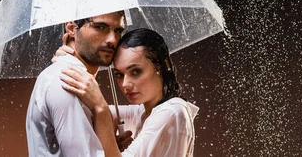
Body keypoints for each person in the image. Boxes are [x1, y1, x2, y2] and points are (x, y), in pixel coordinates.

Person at [58, 28, 199, 156]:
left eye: (136, 71)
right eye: (119, 75)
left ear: (162, 66)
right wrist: (74, 62)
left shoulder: (172, 111)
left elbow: (100, 111)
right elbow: (83, 110)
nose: (125, 84)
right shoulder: (143, 113)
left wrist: (99, 106)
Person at [25, 11, 131, 156]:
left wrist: (108, 144)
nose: (113, 40)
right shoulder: (69, 81)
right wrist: (102, 109)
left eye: (118, 30)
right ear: (71, 28)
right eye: (100, 27)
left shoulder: (80, 82)